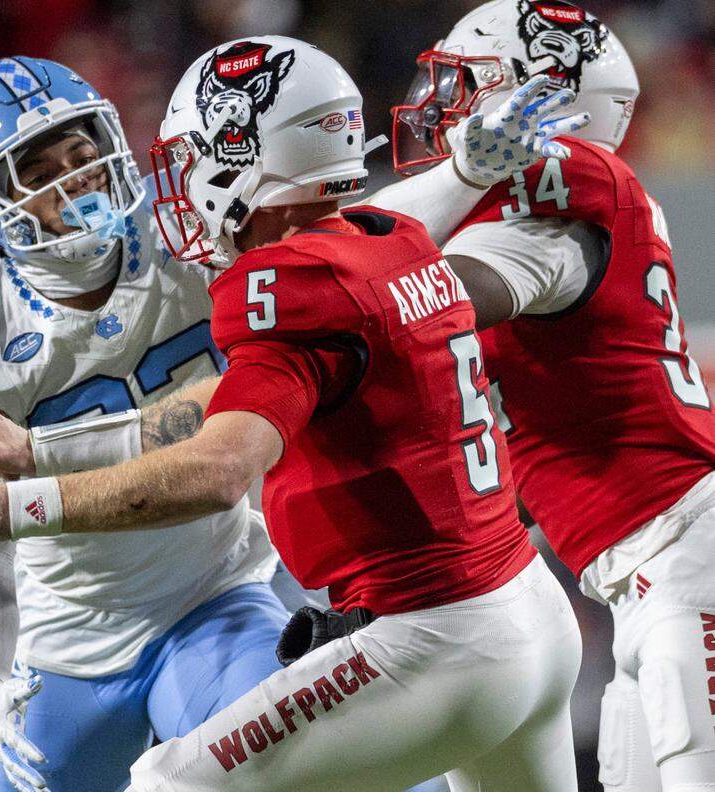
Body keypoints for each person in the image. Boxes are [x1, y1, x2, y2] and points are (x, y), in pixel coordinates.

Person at [0, 37, 589, 790]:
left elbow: (323, 242)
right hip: (69, 641)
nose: (77, 183)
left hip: (215, 596)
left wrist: (459, 175)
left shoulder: (188, 235)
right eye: (41, 174)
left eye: (83, 156)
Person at [389, 2, 715, 789]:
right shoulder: (566, 206)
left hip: (682, 560)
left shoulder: (560, 198)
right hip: (641, 571)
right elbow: (550, 438)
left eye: (468, 85)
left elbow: (425, 296)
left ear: (541, 97)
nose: (444, 107)